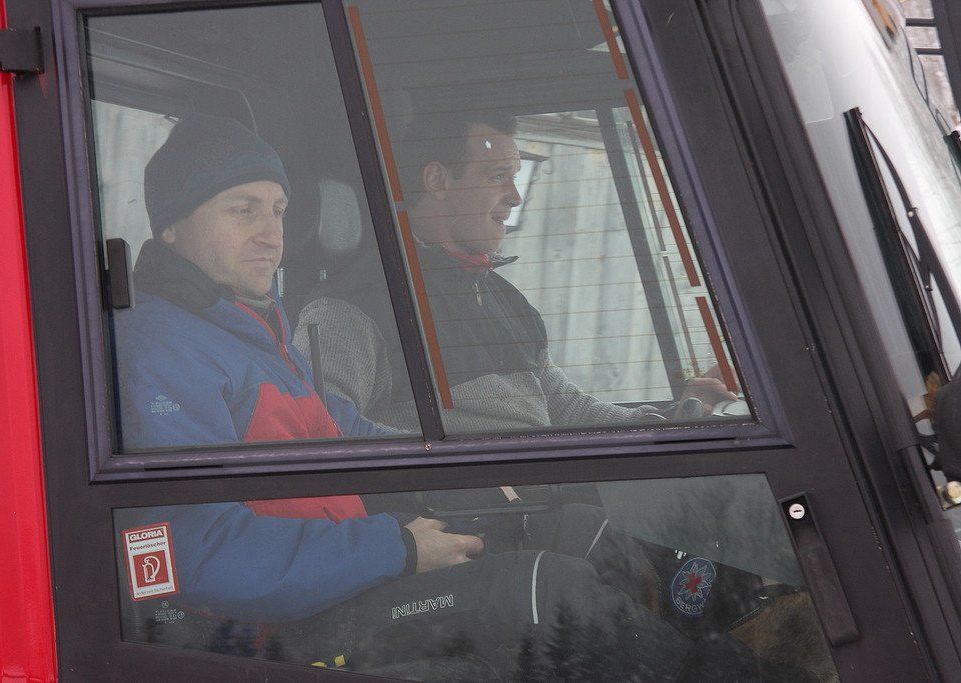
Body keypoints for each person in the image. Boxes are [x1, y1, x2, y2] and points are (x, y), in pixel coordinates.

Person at [112, 115, 804, 680]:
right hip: (274, 628)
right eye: (242, 210)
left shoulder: (256, 333)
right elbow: (186, 555)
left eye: (279, 211)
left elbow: (349, 432)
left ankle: (771, 631)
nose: (272, 235)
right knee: (539, 592)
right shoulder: (162, 351)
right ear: (171, 224)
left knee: (579, 529)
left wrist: (464, 472)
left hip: (344, 570)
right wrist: (396, 548)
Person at [292, 110, 735, 434]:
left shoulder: (503, 299)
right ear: (438, 180)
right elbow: (327, 433)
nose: (515, 196)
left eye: (515, 177)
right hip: (470, 514)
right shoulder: (352, 308)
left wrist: (673, 422)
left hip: (537, 493)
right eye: (497, 176)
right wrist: (472, 481)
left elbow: (565, 409)